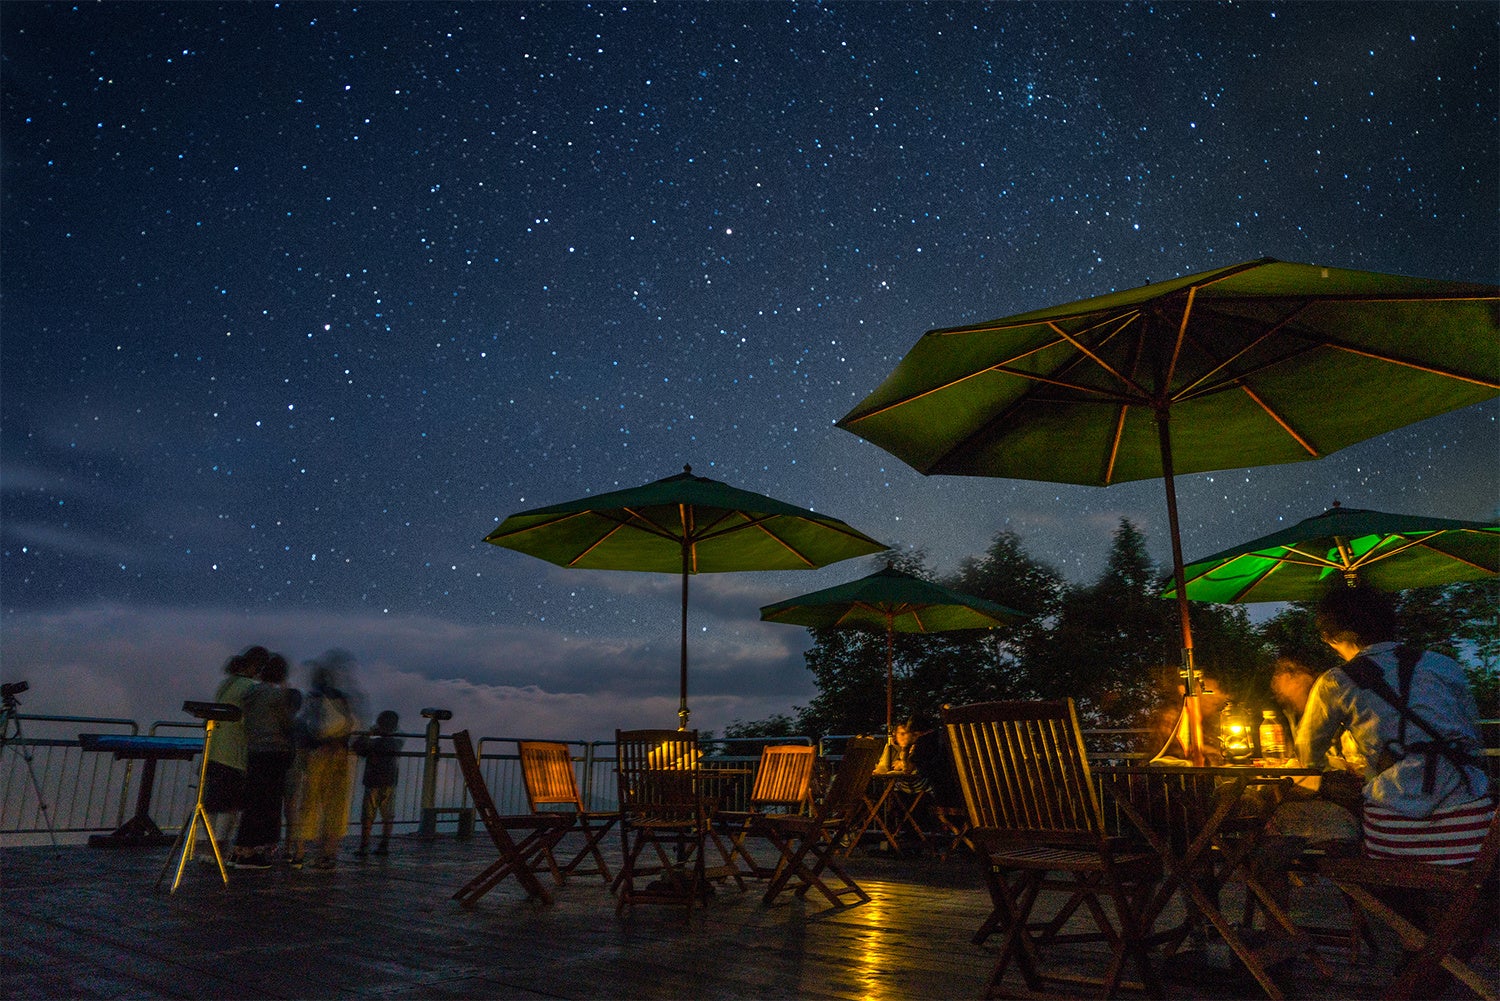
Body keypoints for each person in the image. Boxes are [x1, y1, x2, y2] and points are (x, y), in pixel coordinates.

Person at [1299, 585, 1492, 864]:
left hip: (1396, 835)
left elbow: (1308, 754)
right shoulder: (1443, 665)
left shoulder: (1336, 680)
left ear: (1339, 636)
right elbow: (1473, 736)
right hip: (1473, 834)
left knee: (1340, 853)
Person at [292, 651, 361, 871]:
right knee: (335, 808)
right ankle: (328, 854)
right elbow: (351, 724)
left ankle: (300, 852)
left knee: (309, 804)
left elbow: (304, 726)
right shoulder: (342, 699)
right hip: (339, 756)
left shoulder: (312, 698)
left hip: (315, 756)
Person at [232, 651, 301, 868]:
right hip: (274, 753)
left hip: (254, 750)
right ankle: (254, 852)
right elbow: (287, 723)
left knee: (252, 801)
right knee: (268, 803)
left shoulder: (251, 693)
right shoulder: (276, 696)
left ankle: (241, 849)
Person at [197, 646, 265, 863]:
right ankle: (217, 851)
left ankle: (208, 849)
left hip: (214, 749)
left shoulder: (227, 683)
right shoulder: (250, 688)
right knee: (229, 805)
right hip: (234, 753)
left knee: (214, 803)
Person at [352, 710, 402, 857]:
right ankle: (384, 845)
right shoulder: (395, 741)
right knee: (387, 815)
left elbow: (357, 746)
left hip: (373, 781)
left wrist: (369, 733)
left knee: (368, 815)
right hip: (389, 781)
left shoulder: (374, 742)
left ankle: (364, 845)